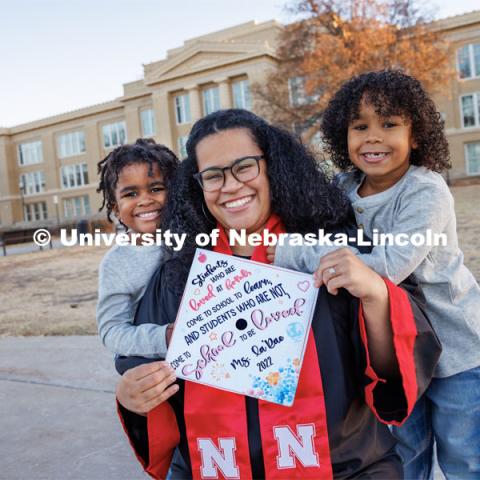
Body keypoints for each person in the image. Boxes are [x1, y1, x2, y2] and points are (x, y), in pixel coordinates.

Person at [114, 109, 441, 479]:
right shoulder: (178, 274)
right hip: (212, 468)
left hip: (346, 470)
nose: (232, 185)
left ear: (274, 168)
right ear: (198, 186)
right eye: (213, 175)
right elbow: (142, 366)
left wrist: (376, 296)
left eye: (245, 166)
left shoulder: (331, 251)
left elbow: (389, 373)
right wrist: (133, 398)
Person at [270, 70, 480, 479]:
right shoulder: (343, 187)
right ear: (341, 135)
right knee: (404, 454)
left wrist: (290, 253)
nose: (372, 137)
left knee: (465, 458)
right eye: (359, 126)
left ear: (415, 135)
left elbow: (389, 266)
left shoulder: (426, 189)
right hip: (395, 353)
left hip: (457, 350)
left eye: (389, 124)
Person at [96, 138, 179, 357]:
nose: (145, 200)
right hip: (164, 373)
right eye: (131, 194)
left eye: (156, 188)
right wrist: (165, 337)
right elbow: (112, 331)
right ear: (115, 207)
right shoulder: (117, 263)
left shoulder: (197, 236)